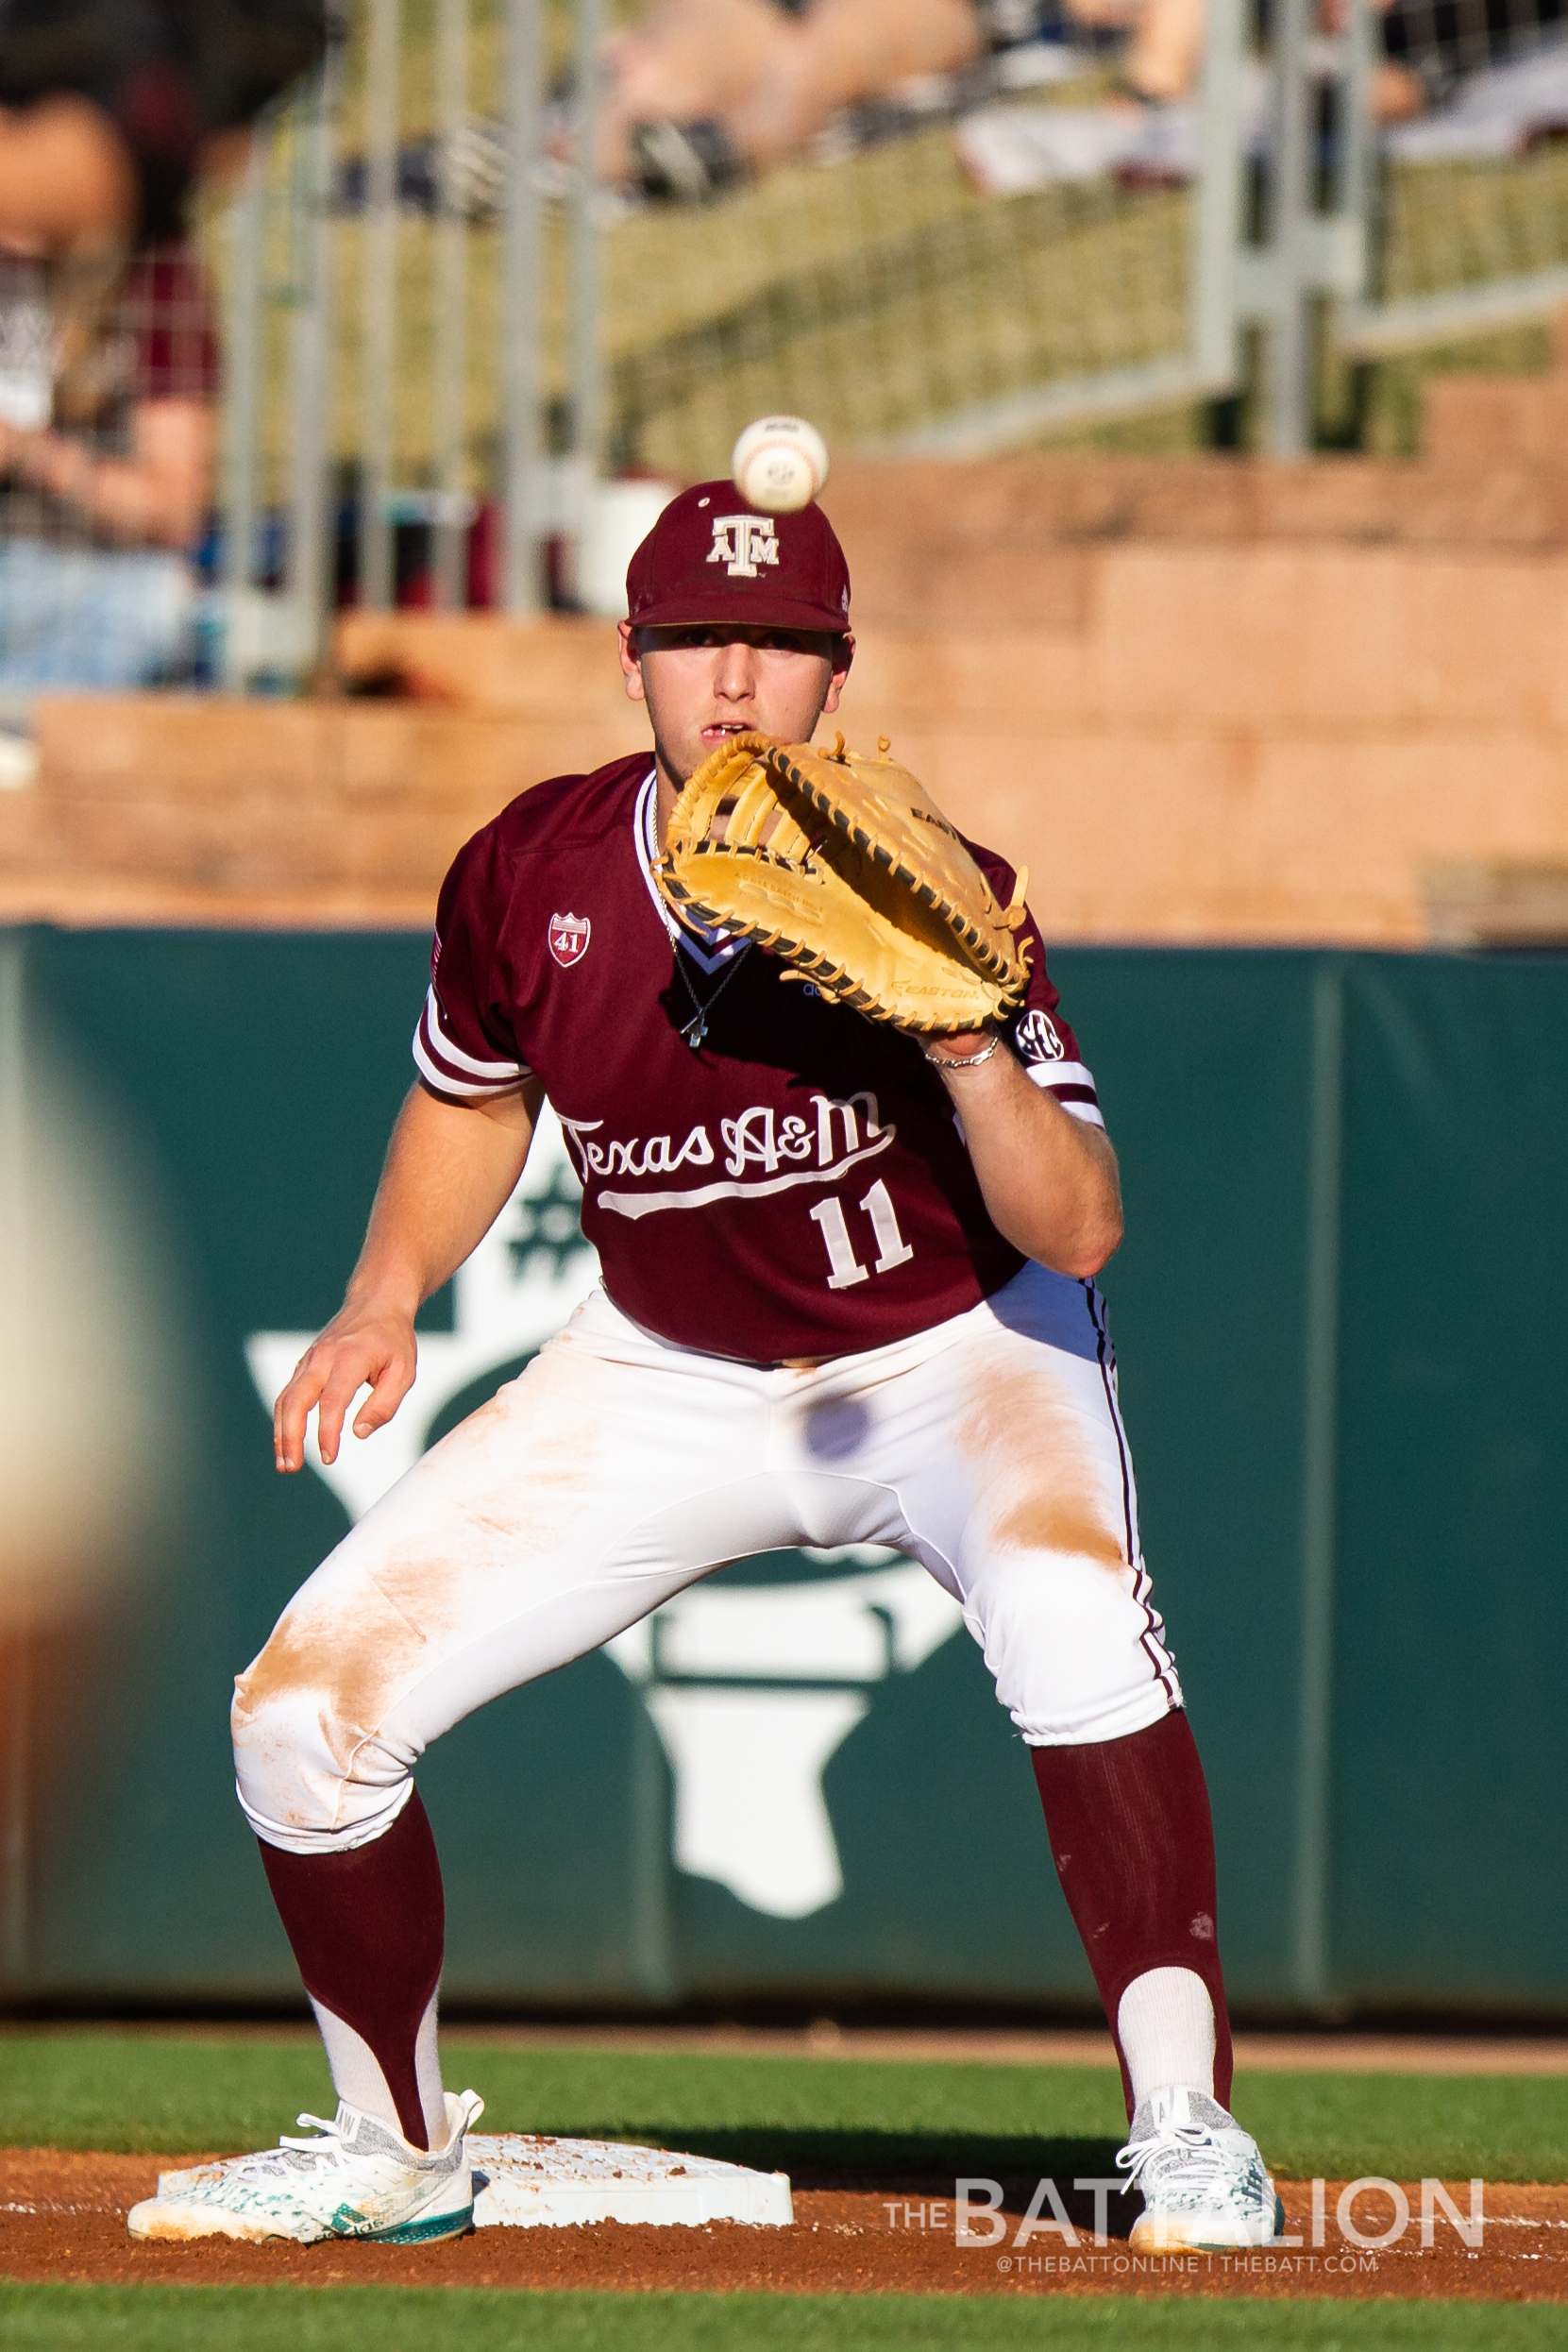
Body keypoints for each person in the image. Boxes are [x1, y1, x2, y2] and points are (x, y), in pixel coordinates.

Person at [128, 483, 1282, 2253]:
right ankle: (393, 2144)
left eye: (777, 648)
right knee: (302, 1718)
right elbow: (468, 1094)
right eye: (692, 644)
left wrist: (962, 1035)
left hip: (954, 1352)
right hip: (664, 1365)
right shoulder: (533, 871)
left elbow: (1082, 1230)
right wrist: (382, 1296)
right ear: (632, 661)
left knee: (1073, 1620)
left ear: (839, 673)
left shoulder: (941, 886)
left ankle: (1188, 2131)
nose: (731, 684)